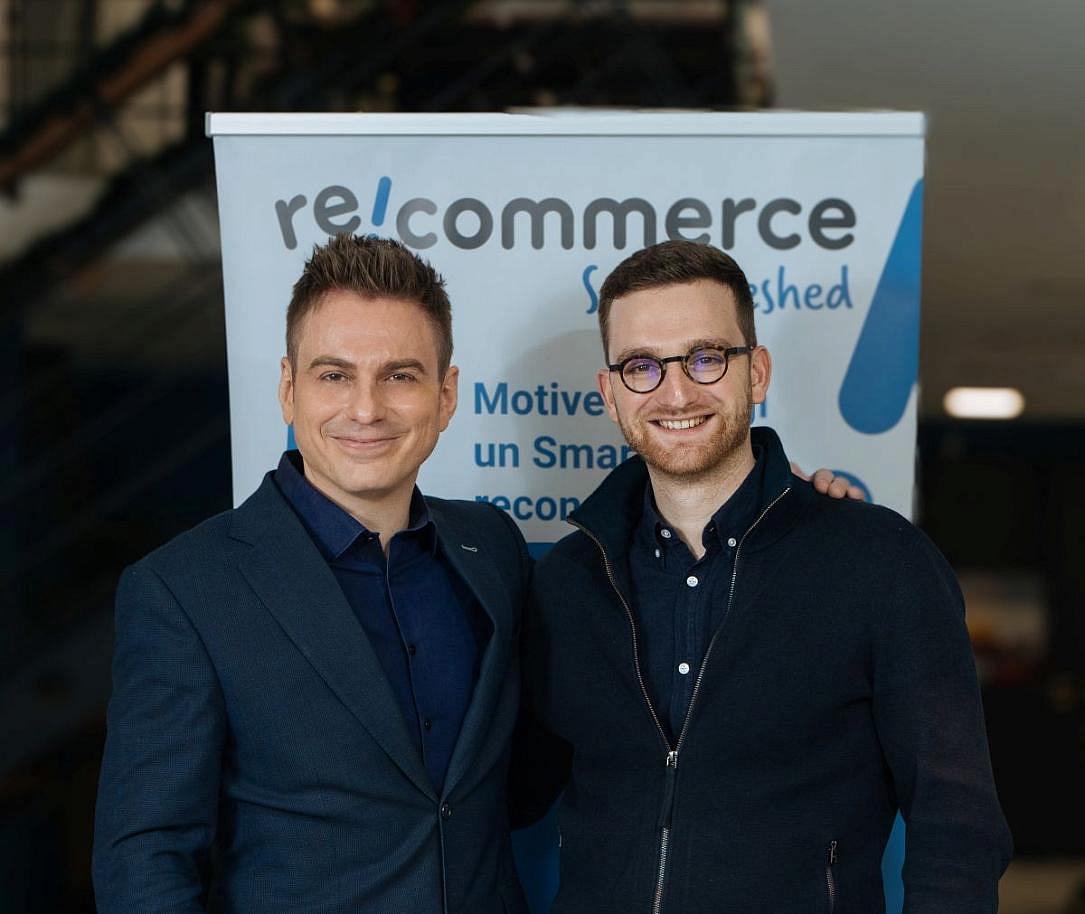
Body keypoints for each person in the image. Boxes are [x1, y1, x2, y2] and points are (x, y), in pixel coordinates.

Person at [513, 240, 1013, 914]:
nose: (676, 392)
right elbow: (505, 794)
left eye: (705, 357)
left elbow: (956, 822)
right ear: (610, 393)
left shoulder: (879, 562)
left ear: (757, 373)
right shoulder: (567, 584)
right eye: (641, 366)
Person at [93, 235, 532, 914]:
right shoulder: (183, 590)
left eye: (400, 375)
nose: (366, 409)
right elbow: (145, 861)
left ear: (445, 395)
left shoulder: (492, 549)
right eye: (334, 376)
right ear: (288, 389)